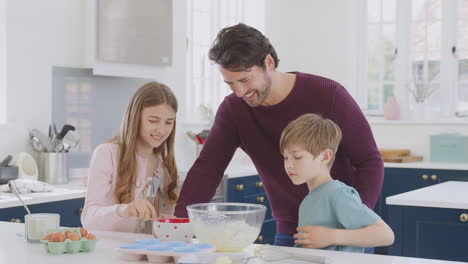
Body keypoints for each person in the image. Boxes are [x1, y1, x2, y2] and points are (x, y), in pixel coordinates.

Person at [175, 23, 384, 247]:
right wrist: (178, 228)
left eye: (244, 80)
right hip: (289, 233)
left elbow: (369, 162)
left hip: (343, 235)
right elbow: (208, 169)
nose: (239, 91)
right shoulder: (234, 110)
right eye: (230, 84)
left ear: (269, 62)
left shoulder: (328, 95)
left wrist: (352, 228)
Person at [280, 113, 394, 252]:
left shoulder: (338, 194)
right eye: (286, 157)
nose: (289, 165)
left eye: (297, 157)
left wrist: (331, 236)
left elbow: (385, 235)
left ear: (325, 156)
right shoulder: (310, 199)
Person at [81, 81, 179, 234]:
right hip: (107, 252)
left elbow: (149, 228)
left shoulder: (163, 166)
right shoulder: (107, 154)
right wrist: (124, 210)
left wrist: (167, 223)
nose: (161, 130)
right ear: (135, 117)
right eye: (153, 120)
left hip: (142, 253)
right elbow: (88, 219)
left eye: (169, 122)